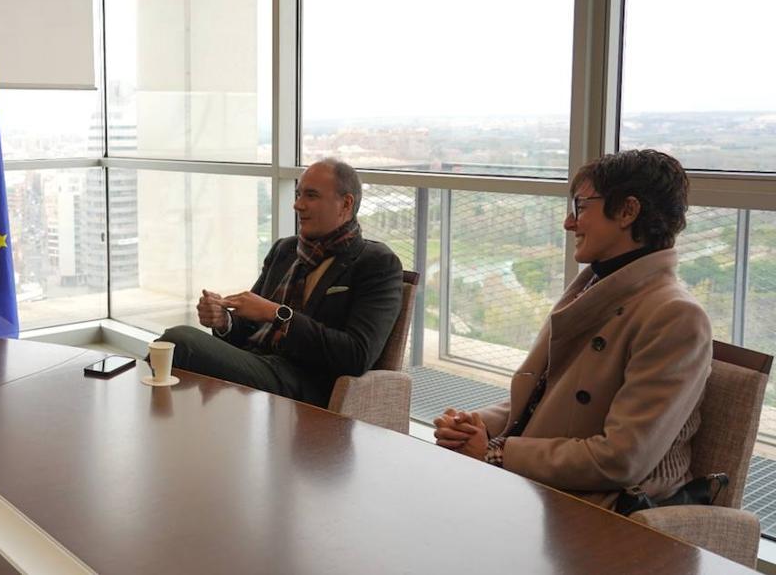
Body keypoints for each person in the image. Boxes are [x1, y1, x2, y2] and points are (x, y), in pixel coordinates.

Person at [432, 150, 711, 510]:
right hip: (541, 490)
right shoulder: (594, 287)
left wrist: (496, 451)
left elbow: (620, 459)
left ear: (628, 211)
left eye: (581, 207)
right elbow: (546, 401)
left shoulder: (674, 316)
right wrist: (477, 426)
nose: (569, 222)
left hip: (603, 515)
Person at [157, 159, 403, 406]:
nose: (298, 205)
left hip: (305, 379)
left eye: (311, 196)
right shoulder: (285, 250)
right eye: (298, 194)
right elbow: (247, 329)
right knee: (173, 350)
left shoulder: (376, 263)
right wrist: (225, 321)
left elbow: (356, 355)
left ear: (346, 203)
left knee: (180, 341)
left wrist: (277, 315)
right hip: (258, 362)